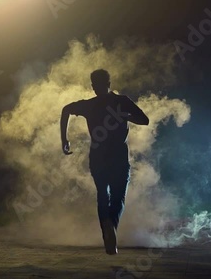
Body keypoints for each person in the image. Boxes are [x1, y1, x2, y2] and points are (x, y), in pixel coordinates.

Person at [60, 69, 149, 255]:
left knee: (103, 193)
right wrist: (127, 117)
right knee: (118, 196)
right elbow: (144, 120)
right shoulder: (122, 101)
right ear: (110, 82)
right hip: (118, 154)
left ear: (93, 86)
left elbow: (66, 110)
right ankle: (112, 227)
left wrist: (64, 140)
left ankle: (107, 231)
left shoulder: (89, 105)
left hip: (98, 154)